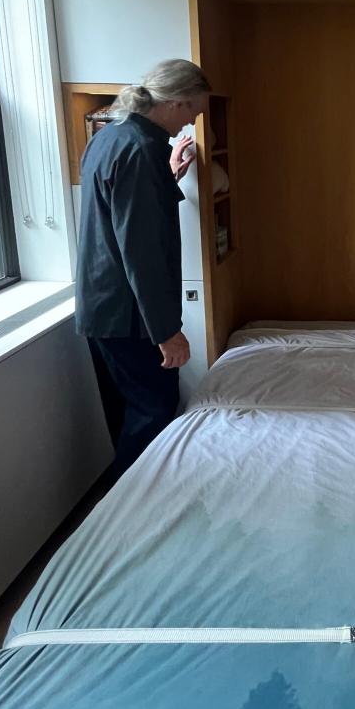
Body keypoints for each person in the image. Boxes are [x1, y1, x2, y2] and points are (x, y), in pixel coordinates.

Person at [75, 58, 210, 474]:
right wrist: (167, 332)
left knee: (129, 415)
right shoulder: (142, 149)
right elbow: (143, 252)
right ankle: (136, 512)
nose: (190, 124)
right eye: (192, 112)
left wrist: (165, 179)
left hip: (104, 308)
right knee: (153, 411)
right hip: (130, 315)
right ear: (174, 103)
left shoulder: (110, 137)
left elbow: (122, 216)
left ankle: (124, 503)